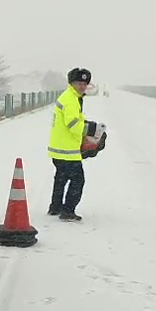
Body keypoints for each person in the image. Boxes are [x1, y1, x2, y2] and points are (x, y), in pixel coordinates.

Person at [47, 67, 102, 221]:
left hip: (59, 149)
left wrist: (86, 124)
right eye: (79, 83)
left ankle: (55, 207)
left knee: (61, 177)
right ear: (71, 83)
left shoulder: (69, 96)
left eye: (84, 83)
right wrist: (91, 129)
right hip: (66, 151)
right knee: (78, 180)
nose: (82, 86)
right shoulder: (71, 100)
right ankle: (68, 211)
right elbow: (72, 124)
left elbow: (73, 121)